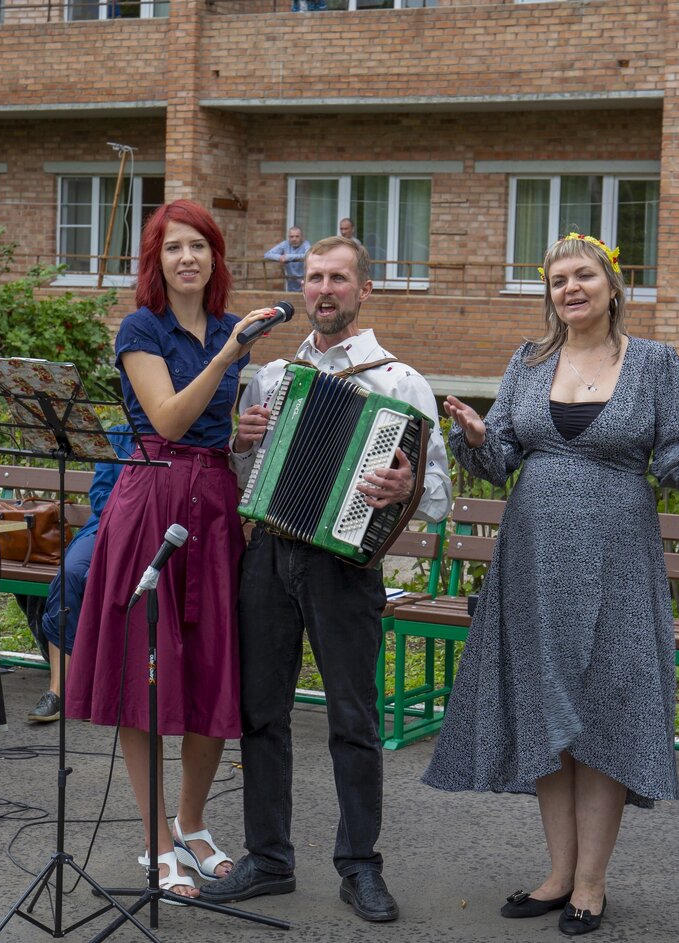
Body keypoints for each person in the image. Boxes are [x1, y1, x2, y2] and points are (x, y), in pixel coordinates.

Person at [421, 233, 679, 936]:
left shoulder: (657, 362)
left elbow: (669, 465)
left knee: (603, 705)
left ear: (611, 284)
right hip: (534, 556)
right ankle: (556, 873)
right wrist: (480, 437)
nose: (568, 288)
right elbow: (504, 457)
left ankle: (591, 884)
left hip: (617, 556)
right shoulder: (528, 359)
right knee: (548, 704)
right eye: (555, 280)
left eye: (581, 276)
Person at [201, 236, 452, 922]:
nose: (324, 290)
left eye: (338, 278)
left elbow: (435, 496)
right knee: (261, 712)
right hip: (269, 552)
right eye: (313, 278)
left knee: (353, 717)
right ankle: (270, 858)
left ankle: (360, 865)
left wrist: (403, 481)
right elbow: (245, 482)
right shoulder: (271, 376)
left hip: (343, 566)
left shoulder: (399, 381)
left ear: (363, 289)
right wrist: (240, 443)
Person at [65, 200, 274, 900]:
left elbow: (213, 427)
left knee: (214, 665)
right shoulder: (141, 328)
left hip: (214, 502)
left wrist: (241, 431)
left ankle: (191, 821)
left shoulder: (225, 329)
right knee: (142, 673)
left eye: (200, 246)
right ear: (154, 261)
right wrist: (226, 358)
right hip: (151, 497)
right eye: (173, 247)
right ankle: (154, 836)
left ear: (216, 258)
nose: (188, 257)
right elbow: (169, 416)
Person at [24, 425, 133, 724]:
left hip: (149, 530)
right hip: (107, 526)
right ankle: (59, 692)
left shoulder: (175, 434)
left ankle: (110, 686)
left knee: (120, 578)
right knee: (70, 573)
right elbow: (99, 494)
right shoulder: (118, 434)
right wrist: (126, 511)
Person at [263, 226, 311, 292]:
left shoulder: (305, 243)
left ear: (302, 237)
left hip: (305, 281)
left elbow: (309, 255)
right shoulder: (285, 244)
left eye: (297, 236)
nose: (294, 239)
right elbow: (267, 255)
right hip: (291, 281)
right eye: (291, 236)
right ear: (288, 237)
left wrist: (288, 257)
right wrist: (279, 257)